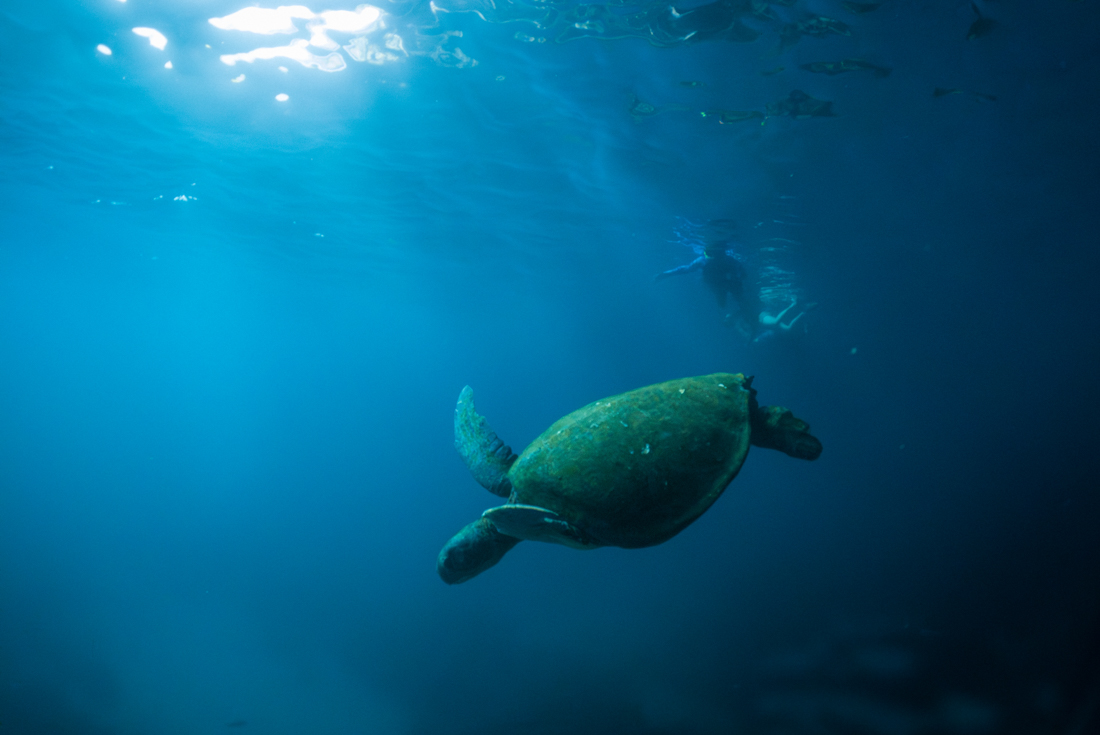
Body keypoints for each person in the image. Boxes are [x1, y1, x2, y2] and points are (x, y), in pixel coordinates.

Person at [655, 243, 748, 312]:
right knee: (725, 302)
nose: (715, 256)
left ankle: (742, 311)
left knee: (733, 301)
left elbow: (685, 269)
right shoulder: (705, 261)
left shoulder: (706, 260)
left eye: (718, 253)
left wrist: (665, 274)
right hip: (720, 285)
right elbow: (685, 269)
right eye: (712, 253)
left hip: (723, 285)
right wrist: (665, 274)